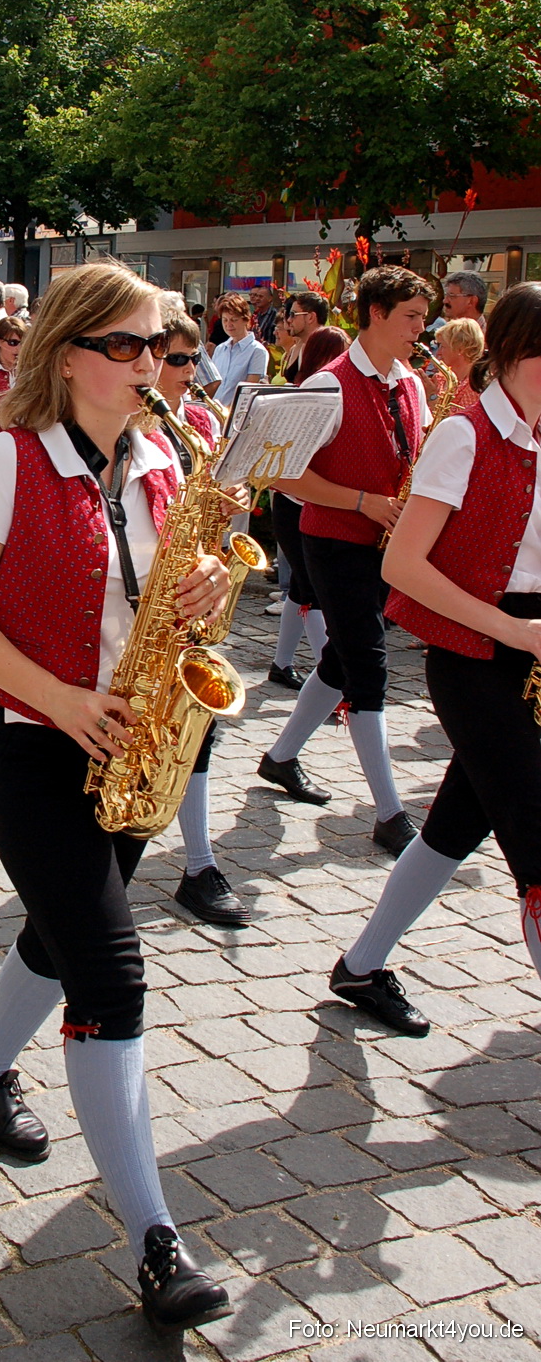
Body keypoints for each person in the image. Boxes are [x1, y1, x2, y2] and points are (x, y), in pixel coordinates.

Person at [0, 263, 232, 1337]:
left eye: (161, 348)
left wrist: (211, 587)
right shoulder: (11, 459)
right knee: (110, 970)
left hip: (138, 746)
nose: (156, 366)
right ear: (69, 357)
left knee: (56, 941)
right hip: (44, 750)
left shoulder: (162, 457)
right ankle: (153, 1237)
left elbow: (190, 588)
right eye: (131, 347)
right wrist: (58, 699)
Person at [330, 282, 541, 1036]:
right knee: (534, 842)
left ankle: (360, 966)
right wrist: (512, 632)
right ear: (517, 354)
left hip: (526, 647)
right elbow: (403, 567)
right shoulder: (464, 433)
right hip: (474, 656)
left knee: (458, 820)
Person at [260, 267, 434, 851]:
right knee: (367, 666)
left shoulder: (409, 381)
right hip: (333, 540)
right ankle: (388, 813)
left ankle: (281, 757)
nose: (420, 328)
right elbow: (286, 473)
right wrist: (363, 501)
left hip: (386, 544)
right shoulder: (328, 385)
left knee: (342, 655)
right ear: (376, 314)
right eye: (410, 316)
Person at [153, 311, 251, 928]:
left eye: (196, 359)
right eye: (180, 361)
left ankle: (198, 861)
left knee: (199, 726)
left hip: (195, 587)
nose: (192, 374)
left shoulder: (198, 420)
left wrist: (233, 497)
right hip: (145, 593)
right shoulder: (124, 423)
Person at [266, 326, 349, 691]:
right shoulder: (310, 394)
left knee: (301, 588)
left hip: (303, 503)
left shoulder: (324, 390)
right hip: (294, 504)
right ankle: (330, 673)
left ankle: (282, 663)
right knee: (311, 590)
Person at [210, 294, 269, 406]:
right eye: (225, 320)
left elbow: (249, 389)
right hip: (213, 412)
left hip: (235, 415)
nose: (228, 325)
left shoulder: (257, 351)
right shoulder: (220, 349)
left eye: (234, 320)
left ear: (245, 319)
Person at [433, 318, 483, 411]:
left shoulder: (475, 387)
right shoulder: (440, 379)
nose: (438, 353)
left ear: (460, 349)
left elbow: (460, 422)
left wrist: (432, 398)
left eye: (443, 346)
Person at [281, 292, 329, 384]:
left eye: (293, 314)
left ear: (311, 317)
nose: (289, 320)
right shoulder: (297, 348)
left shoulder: (327, 349)